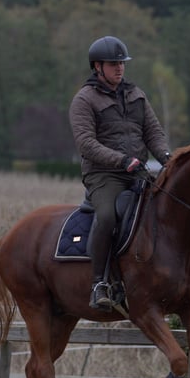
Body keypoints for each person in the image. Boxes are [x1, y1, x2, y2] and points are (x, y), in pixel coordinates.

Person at [69, 36, 171, 310]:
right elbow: (86, 144)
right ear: (97, 66)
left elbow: (153, 132)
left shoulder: (136, 94)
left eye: (122, 63)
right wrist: (122, 160)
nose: (120, 68)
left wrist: (167, 158)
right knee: (107, 215)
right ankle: (99, 283)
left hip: (136, 171)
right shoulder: (84, 100)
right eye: (113, 64)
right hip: (103, 175)